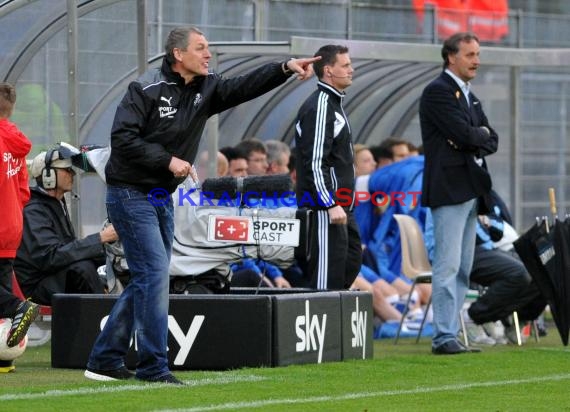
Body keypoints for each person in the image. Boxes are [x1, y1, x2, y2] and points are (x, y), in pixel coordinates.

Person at [85, 26, 319, 384]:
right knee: (153, 275)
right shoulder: (144, 89)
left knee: (151, 277)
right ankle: (153, 368)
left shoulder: (207, 86)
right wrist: (168, 161)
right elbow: (123, 139)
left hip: (162, 196)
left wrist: (284, 68)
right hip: (130, 193)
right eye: (201, 48)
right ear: (179, 55)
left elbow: (244, 86)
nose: (208, 54)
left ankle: (104, 359)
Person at [420, 32, 498, 355]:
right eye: (470, 55)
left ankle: (451, 333)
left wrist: (474, 136)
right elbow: (465, 134)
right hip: (449, 189)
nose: (477, 61)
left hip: (470, 189)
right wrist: (474, 136)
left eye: (478, 54)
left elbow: (491, 140)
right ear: (451, 57)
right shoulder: (438, 92)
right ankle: (443, 337)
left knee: (464, 267)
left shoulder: (469, 96)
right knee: (448, 265)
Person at [15, 144, 120, 305]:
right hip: (36, 285)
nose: (73, 174)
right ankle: (103, 314)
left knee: (109, 261)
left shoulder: (55, 204)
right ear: (48, 175)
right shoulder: (33, 210)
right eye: (67, 170)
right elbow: (50, 257)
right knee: (81, 269)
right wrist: (100, 238)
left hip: (52, 277)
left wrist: (107, 251)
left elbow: (67, 249)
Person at [295, 44, 361, 290]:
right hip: (325, 209)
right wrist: (329, 202)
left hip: (342, 206)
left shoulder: (333, 103)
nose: (351, 70)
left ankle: (335, 324)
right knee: (325, 280)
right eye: (345, 65)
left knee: (351, 261)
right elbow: (314, 161)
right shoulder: (321, 105)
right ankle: (323, 325)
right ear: (328, 71)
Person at [0, 82, 39, 373]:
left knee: (6, 299)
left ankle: (19, 307)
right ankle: (5, 358)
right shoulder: (17, 143)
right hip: (12, 223)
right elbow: (23, 190)